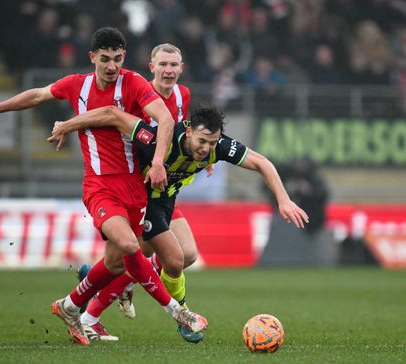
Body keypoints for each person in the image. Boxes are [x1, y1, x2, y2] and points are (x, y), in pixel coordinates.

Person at [0, 27, 207, 345]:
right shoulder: (76, 85)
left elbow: (161, 120)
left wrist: (157, 163)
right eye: (106, 59)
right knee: (130, 248)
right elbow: (38, 95)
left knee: (114, 262)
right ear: (92, 57)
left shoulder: (134, 83)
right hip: (99, 185)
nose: (112, 66)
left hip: (136, 185)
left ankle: (70, 306)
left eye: (118, 59)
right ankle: (178, 312)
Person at [48, 103, 310, 341]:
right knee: (161, 261)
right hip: (138, 200)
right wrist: (67, 125)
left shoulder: (218, 146)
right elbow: (113, 115)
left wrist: (283, 200)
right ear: (188, 129)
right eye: (202, 141)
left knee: (185, 256)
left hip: (165, 202)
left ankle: (92, 300)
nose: (206, 148)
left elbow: (262, 162)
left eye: (212, 142)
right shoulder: (158, 138)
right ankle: (178, 315)